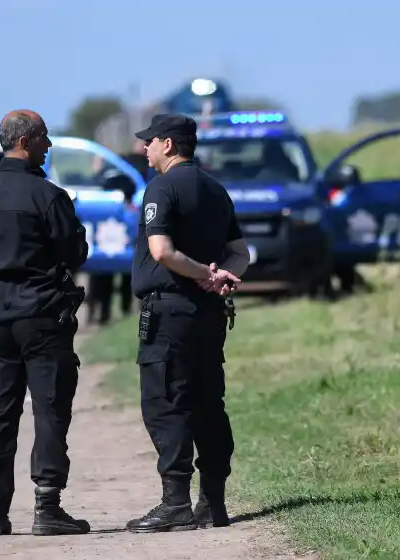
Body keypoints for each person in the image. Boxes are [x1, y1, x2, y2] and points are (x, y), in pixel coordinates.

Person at [0, 109, 90, 537]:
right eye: (45, 138)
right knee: (50, 408)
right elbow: (74, 253)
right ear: (27, 141)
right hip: (41, 317)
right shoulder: (48, 196)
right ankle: (47, 507)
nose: (49, 146)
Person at [126, 114, 250, 533]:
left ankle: (175, 502)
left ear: (168, 144)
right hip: (208, 314)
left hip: (170, 312)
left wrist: (201, 273)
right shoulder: (216, 190)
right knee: (207, 402)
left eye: (149, 142)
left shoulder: (161, 188)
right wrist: (221, 277)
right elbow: (241, 253)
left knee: (166, 403)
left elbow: (161, 251)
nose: (144, 149)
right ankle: (212, 503)